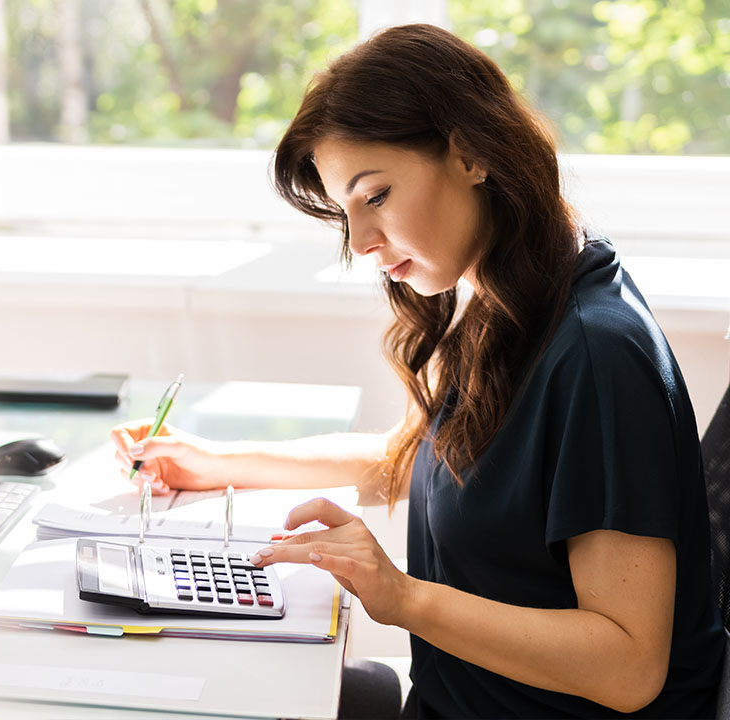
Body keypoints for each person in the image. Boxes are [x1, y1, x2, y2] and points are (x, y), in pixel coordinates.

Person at [110, 23, 725, 719]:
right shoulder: (508, 292)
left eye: (376, 196)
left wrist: (400, 597)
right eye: (346, 212)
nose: (363, 244)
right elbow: (429, 461)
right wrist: (220, 463)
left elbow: (627, 665)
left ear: (470, 154)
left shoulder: (596, 356)